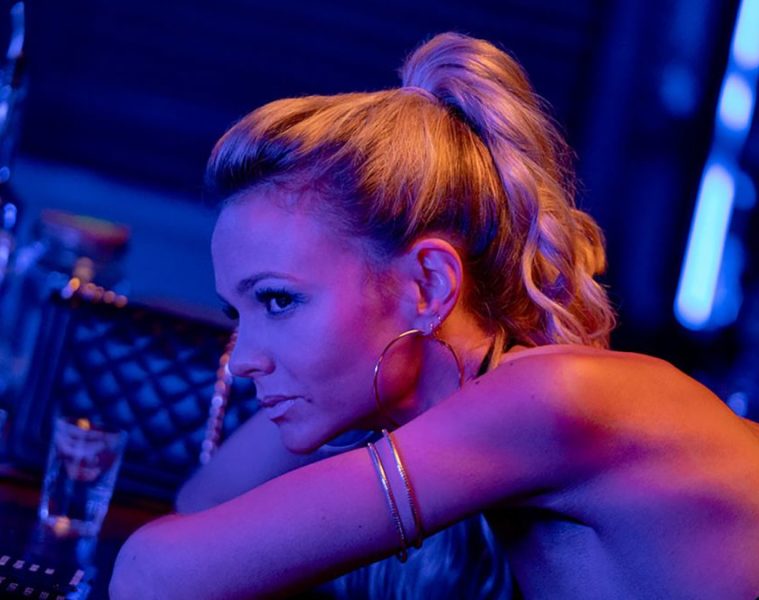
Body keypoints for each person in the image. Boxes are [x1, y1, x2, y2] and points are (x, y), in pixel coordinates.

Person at [109, 32, 759, 599]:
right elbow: (200, 508)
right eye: (239, 311)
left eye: (279, 300)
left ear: (428, 285)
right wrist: (341, 394)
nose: (243, 358)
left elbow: (151, 577)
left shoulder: (552, 400)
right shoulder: (485, 410)